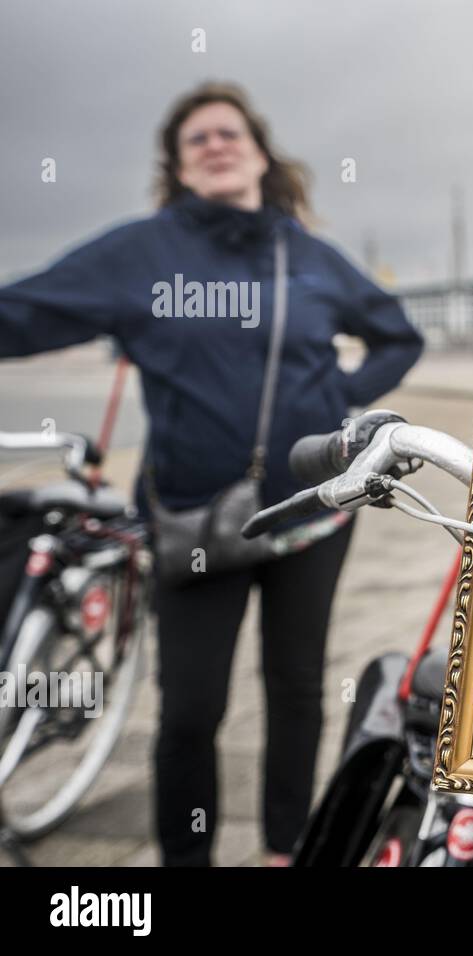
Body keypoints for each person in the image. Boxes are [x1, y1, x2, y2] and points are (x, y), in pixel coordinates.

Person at [0, 82, 424, 865]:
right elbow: (24, 312)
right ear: (178, 166)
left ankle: (285, 849)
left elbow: (398, 336)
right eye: (197, 139)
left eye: (231, 132)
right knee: (191, 710)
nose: (216, 143)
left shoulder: (308, 256)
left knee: (298, 691)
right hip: (193, 519)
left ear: (261, 154)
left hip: (311, 513)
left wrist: (340, 402)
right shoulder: (139, 253)